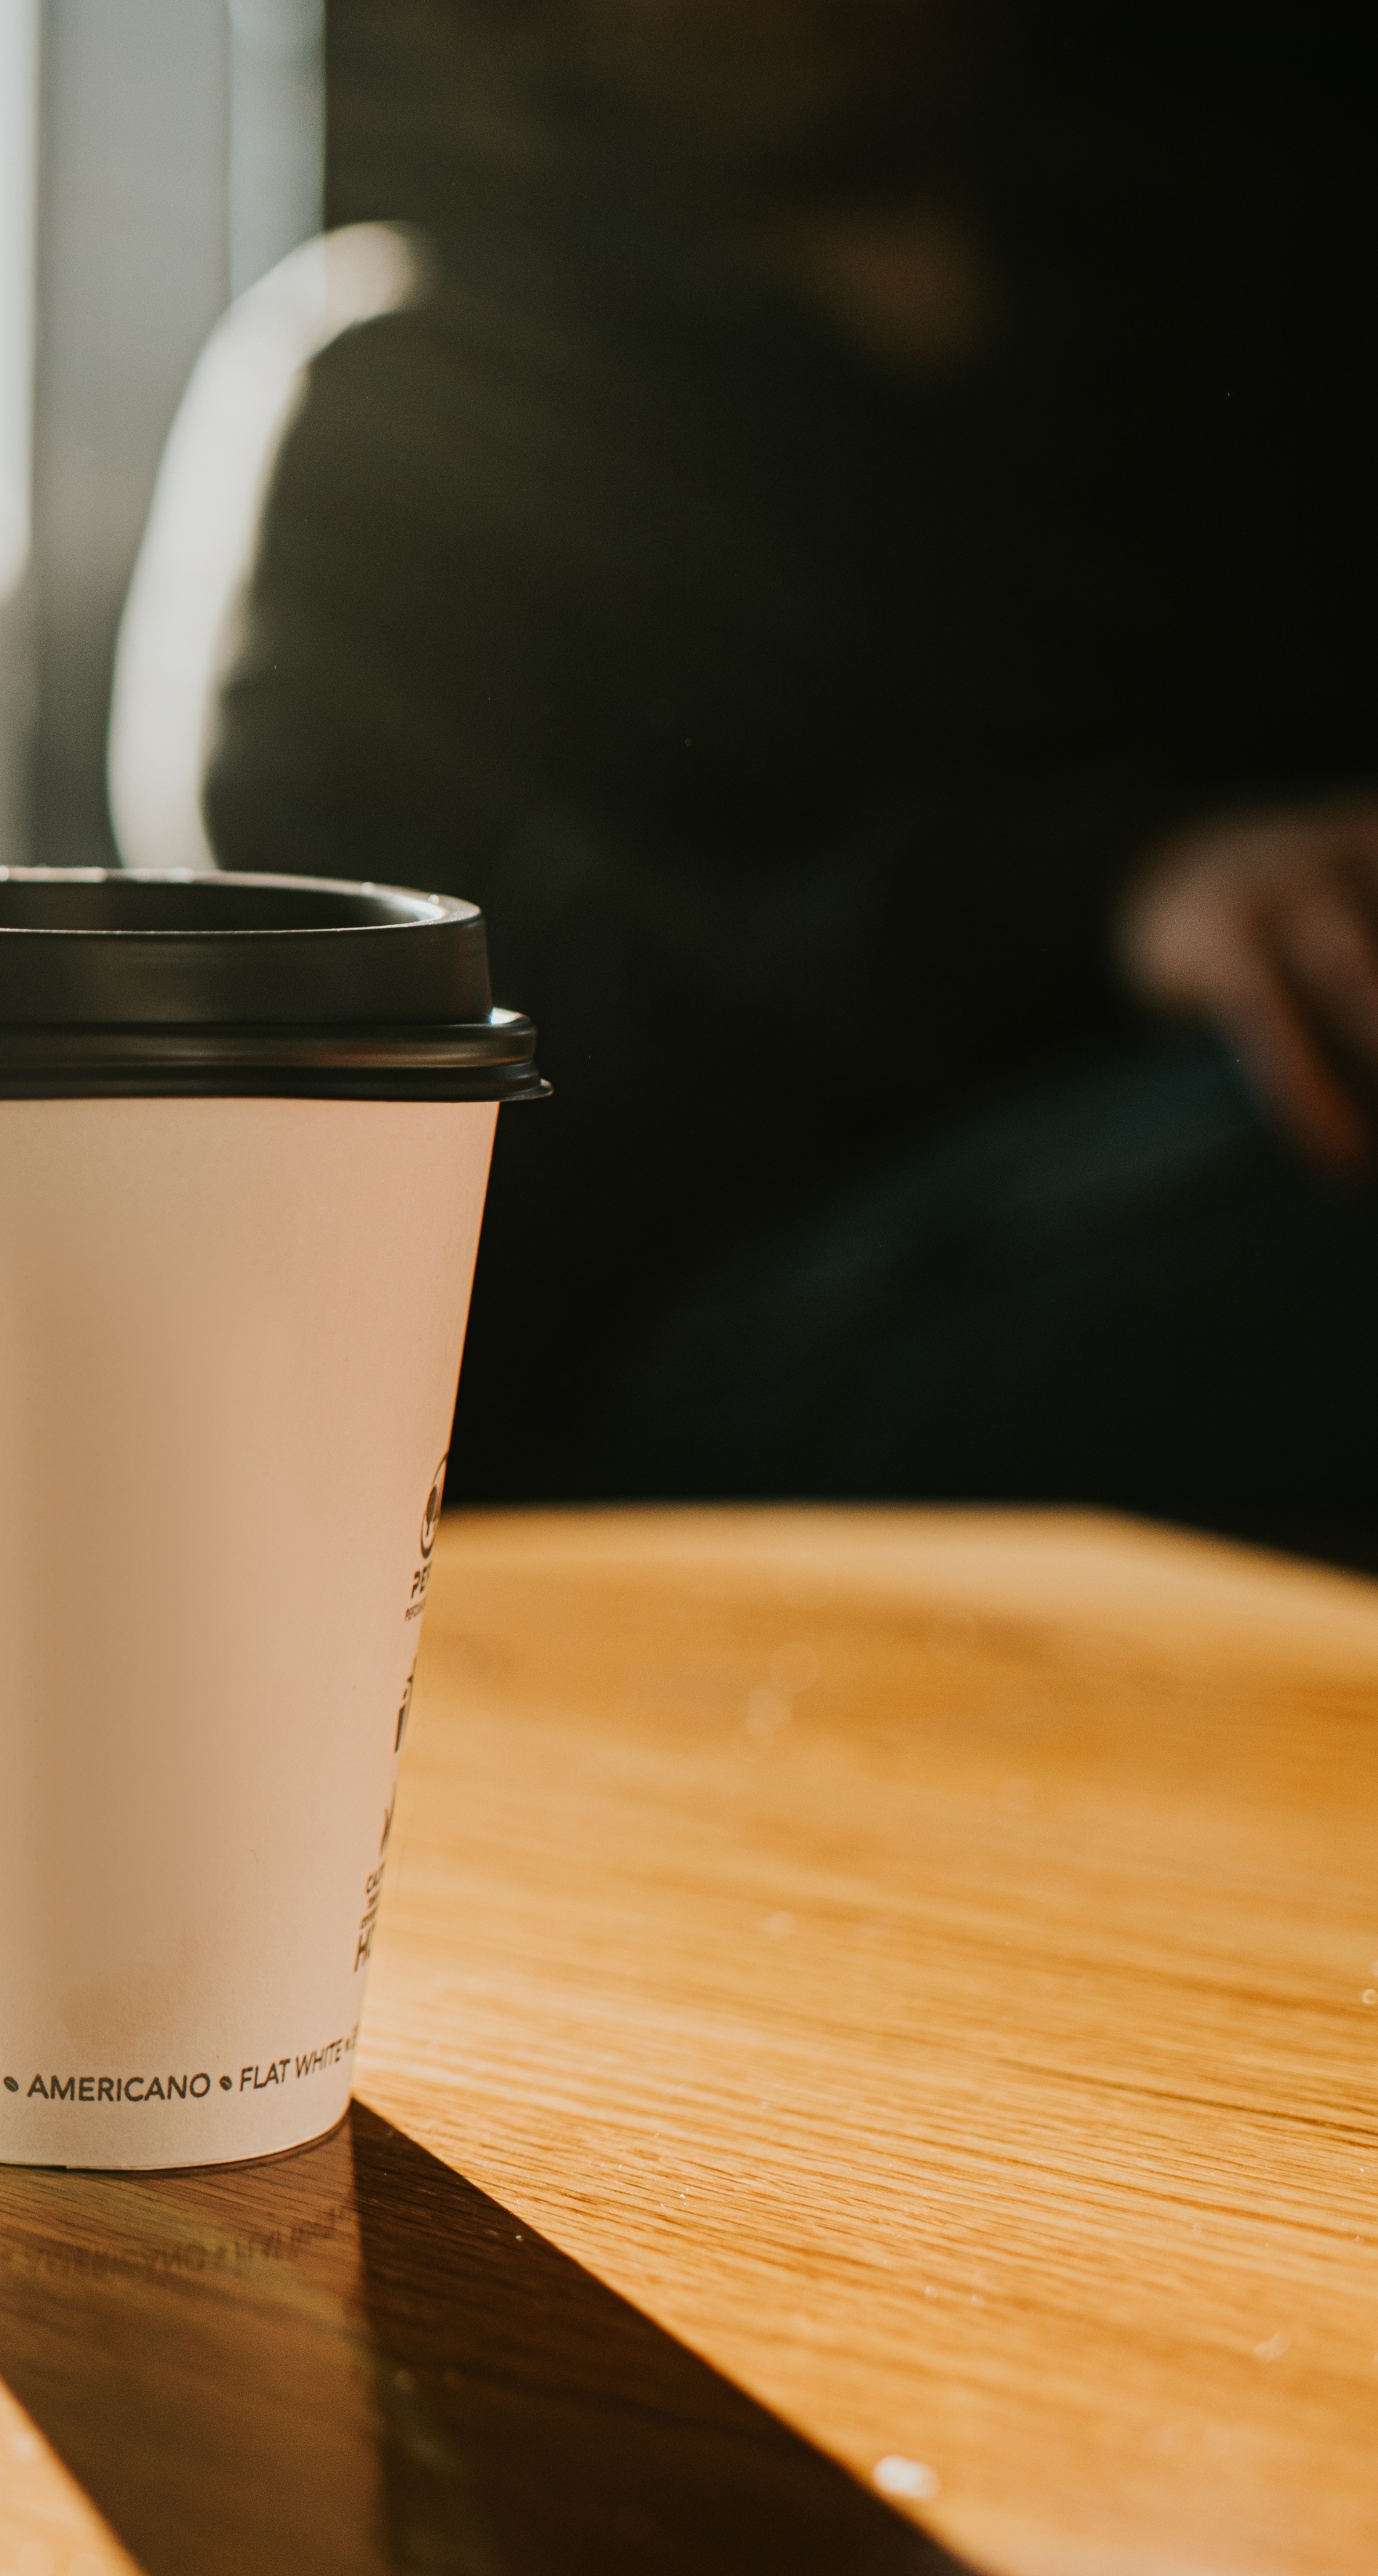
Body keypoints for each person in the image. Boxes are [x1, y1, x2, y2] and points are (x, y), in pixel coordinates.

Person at [208, 0, 1375, 1545]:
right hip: (685, 1351)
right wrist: (1111, 904)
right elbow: (402, 1025)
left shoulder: (1218, 352)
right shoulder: (427, 395)